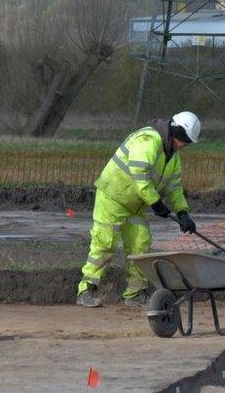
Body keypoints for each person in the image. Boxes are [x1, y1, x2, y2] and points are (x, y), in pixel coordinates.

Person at [76, 111, 201, 308]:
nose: (185, 145)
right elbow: (139, 175)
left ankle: (134, 294)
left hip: (135, 205)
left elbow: (174, 188)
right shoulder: (147, 141)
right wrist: (155, 202)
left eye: (187, 142)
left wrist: (183, 213)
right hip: (113, 197)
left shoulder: (173, 158)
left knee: (140, 244)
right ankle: (86, 289)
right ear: (174, 132)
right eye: (183, 140)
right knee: (105, 242)